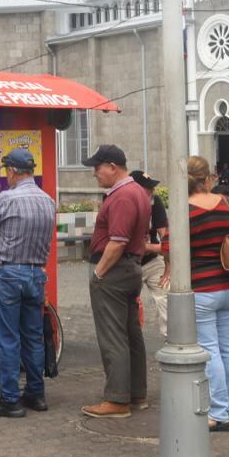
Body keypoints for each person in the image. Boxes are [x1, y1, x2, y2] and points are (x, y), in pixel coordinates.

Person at [0, 147, 57, 418]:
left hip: (9, 273)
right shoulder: (48, 200)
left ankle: (10, 399)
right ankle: (36, 394)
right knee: (32, 335)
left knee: (7, 336)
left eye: (6, 171)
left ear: (12, 171)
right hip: (37, 274)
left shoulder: (6, 198)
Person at [81, 144, 150, 419]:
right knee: (131, 334)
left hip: (115, 270)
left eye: (97, 168)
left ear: (112, 167)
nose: (95, 173)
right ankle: (136, 393)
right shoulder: (137, 192)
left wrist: (99, 273)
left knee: (113, 336)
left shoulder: (121, 196)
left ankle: (117, 400)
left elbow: (117, 241)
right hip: (130, 268)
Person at [186, 156, 229, 431]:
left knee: (210, 349)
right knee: (227, 347)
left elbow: (170, 247)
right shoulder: (227, 204)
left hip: (202, 289)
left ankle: (218, 414)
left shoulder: (185, 211)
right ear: (209, 177)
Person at [132, 170, 169, 340]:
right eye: (149, 189)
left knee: (167, 297)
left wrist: (168, 268)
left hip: (153, 261)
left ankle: (173, 340)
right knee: (129, 304)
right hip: (130, 264)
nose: (153, 192)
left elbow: (165, 238)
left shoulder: (156, 202)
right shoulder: (125, 204)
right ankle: (131, 340)